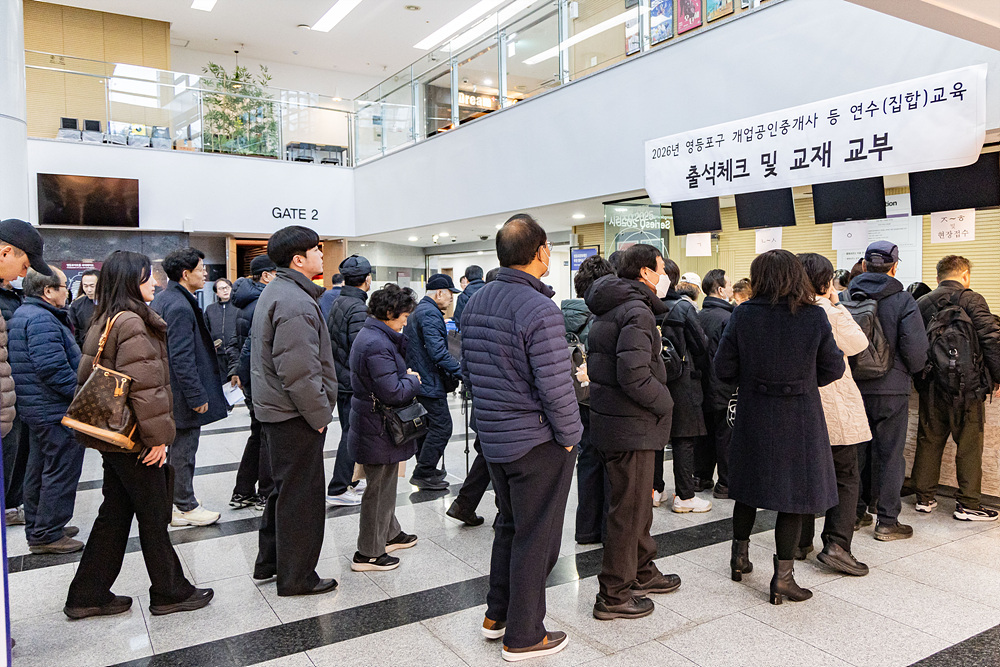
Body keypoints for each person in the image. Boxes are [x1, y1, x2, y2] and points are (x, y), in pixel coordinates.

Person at [64, 250, 212, 619]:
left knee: (114, 514)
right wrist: (158, 439)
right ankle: (170, 590)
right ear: (131, 281)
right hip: (133, 439)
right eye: (147, 278)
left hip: (113, 437)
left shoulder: (106, 318)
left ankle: (87, 593)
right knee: (153, 513)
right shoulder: (131, 322)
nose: (155, 284)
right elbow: (146, 389)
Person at [461, 214, 581, 660]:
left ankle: (498, 614)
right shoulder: (539, 309)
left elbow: (468, 373)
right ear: (540, 252)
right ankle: (525, 634)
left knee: (509, 526)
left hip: (494, 438)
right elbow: (555, 385)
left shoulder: (474, 302)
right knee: (537, 537)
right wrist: (570, 436)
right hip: (535, 442)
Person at [714, 249, 845, 605]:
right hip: (800, 416)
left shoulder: (742, 315)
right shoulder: (813, 316)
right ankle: (783, 579)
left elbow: (722, 369)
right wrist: (801, 379)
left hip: (754, 412)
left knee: (746, 487)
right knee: (794, 495)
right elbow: (834, 368)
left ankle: (739, 558)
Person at [586, 244, 682, 621]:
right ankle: (614, 593)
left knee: (636, 506)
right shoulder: (637, 311)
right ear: (644, 272)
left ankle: (642, 571)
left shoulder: (613, 306)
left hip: (618, 421)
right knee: (628, 511)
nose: (664, 276)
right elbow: (634, 374)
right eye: (660, 269)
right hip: (631, 425)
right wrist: (666, 403)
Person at [251, 225, 338, 597]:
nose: (322, 254)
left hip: (277, 412)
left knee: (282, 491)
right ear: (298, 259)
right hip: (294, 415)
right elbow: (299, 371)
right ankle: (297, 576)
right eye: (316, 250)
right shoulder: (295, 301)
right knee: (301, 499)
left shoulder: (279, 291)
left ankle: (271, 563)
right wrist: (318, 417)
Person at [846, 241, 928, 540]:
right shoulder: (904, 300)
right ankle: (887, 521)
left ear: (865, 265)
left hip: (853, 387)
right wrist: (912, 372)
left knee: (856, 452)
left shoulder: (846, 296)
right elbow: (916, 350)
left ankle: (853, 515)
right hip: (892, 389)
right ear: (895, 267)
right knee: (891, 454)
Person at [796, 253, 871, 576]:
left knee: (803, 475)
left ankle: (799, 541)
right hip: (833, 404)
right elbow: (857, 343)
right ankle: (837, 545)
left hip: (800, 406)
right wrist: (836, 303)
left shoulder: (786, 310)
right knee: (845, 475)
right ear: (825, 282)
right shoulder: (826, 310)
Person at [912, 256, 1000, 522]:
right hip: (968, 387)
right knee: (969, 445)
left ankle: (924, 498)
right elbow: (991, 337)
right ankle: (969, 503)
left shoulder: (920, 303)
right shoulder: (972, 299)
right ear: (965, 275)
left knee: (929, 440)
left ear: (938, 276)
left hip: (931, 385)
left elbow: (912, 344)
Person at [9, 265, 85, 554]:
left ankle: (41, 526)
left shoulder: (25, 314)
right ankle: (48, 533)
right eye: (64, 286)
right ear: (48, 290)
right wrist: (81, 395)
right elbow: (52, 368)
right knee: (60, 470)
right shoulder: (42, 319)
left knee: (39, 468)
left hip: (37, 408)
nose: (68, 291)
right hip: (53, 410)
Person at [151, 247, 228, 527]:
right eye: (200, 269)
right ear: (186, 274)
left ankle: (174, 503)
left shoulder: (167, 299)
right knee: (183, 449)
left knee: (177, 449)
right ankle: (184, 504)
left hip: (169, 390)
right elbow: (181, 357)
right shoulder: (180, 306)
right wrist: (197, 395)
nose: (205, 273)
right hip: (182, 394)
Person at [349, 284, 422, 571]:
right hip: (378, 426)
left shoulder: (375, 336)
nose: (406, 321)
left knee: (386, 485)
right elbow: (392, 391)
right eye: (403, 315)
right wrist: (413, 380)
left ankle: (389, 533)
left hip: (375, 424)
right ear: (389, 313)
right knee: (378, 491)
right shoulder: (376, 343)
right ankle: (368, 552)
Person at [563, 255, 615, 544]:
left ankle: (585, 529)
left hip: (576, 397)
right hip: (599, 395)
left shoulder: (565, 313)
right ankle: (606, 529)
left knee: (587, 459)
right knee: (608, 463)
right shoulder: (603, 313)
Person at [447, 267, 503, 528]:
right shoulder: (503, 317)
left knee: (486, 454)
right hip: (499, 404)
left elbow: (466, 361)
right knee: (498, 459)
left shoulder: (471, 313)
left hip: (482, 399)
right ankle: (501, 513)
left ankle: (464, 504)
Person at [658, 258, 711, 512]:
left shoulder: (646, 305)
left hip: (654, 378)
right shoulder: (682, 307)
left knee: (657, 438)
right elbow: (701, 346)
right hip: (682, 380)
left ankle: (655, 490)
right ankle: (685, 496)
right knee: (683, 438)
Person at [226, 255, 277, 510]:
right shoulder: (261, 302)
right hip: (260, 377)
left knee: (257, 434)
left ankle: (243, 490)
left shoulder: (243, 303)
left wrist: (237, 370)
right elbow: (251, 344)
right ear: (266, 276)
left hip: (250, 376)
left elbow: (233, 341)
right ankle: (266, 493)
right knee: (266, 435)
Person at [405, 273, 462, 490]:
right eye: (449, 294)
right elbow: (438, 352)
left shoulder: (422, 310)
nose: (451, 299)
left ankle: (425, 467)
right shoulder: (429, 313)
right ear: (439, 292)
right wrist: (461, 372)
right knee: (442, 426)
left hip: (420, 379)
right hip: (429, 380)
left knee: (427, 427)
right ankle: (424, 471)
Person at [325, 255, 372, 506]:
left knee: (351, 431)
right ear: (367, 279)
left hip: (340, 377)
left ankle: (351, 480)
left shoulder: (339, 301)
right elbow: (359, 348)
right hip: (350, 381)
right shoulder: (357, 308)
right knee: (351, 433)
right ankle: (338, 487)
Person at [698, 269, 736, 499]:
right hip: (723, 386)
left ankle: (701, 477)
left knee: (705, 435)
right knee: (725, 436)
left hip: (700, 385)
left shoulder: (698, 315)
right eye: (729, 285)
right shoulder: (729, 318)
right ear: (721, 290)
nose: (732, 289)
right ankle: (725, 483)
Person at [0, 276, 27, 527]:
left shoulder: (15, 297)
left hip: (14, 389)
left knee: (16, 451)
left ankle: (11, 505)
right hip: (6, 391)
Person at [204, 278, 237, 382]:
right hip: (217, 355)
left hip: (235, 354)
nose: (225, 290)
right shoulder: (210, 309)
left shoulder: (238, 307)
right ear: (216, 292)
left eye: (227, 287)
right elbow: (206, 331)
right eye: (221, 288)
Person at [67, 268, 99, 349]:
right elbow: (74, 332)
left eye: (92, 286)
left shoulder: (112, 304)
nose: (89, 290)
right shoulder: (77, 305)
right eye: (85, 286)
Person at [453, 265, 486, 330]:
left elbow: (458, 320)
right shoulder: (490, 292)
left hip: (469, 334)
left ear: (466, 279)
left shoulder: (463, 296)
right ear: (482, 277)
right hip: (488, 335)